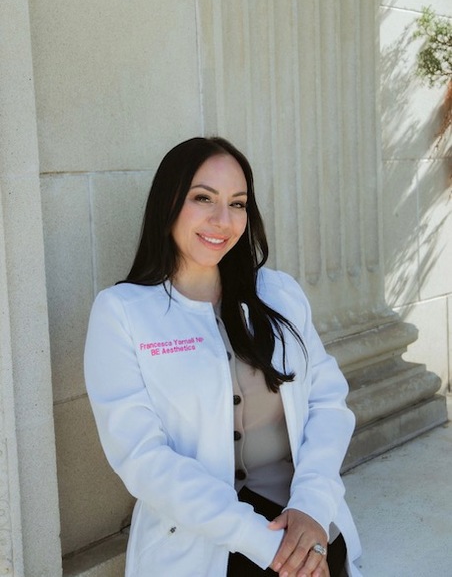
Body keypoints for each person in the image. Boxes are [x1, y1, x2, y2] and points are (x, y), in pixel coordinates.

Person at [84, 137, 362, 577]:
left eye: (237, 203)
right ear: (168, 202)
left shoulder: (280, 294)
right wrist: (267, 545)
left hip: (302, 519)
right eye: (203, 198)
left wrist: (311, 506)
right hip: (200, 541)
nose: (223, 220)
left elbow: (328, 403)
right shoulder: (122, 312)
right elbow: (142, 457)